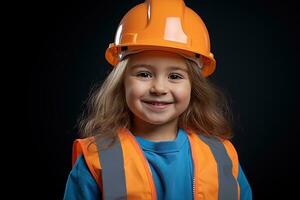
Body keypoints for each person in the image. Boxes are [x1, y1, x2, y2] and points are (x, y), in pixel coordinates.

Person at [64, 0, 252, 199]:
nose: (159, 88)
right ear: (121, 82)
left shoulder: (221, 156)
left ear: (193, 87)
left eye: (175, 76)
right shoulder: (97, 160)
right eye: (144, 74)